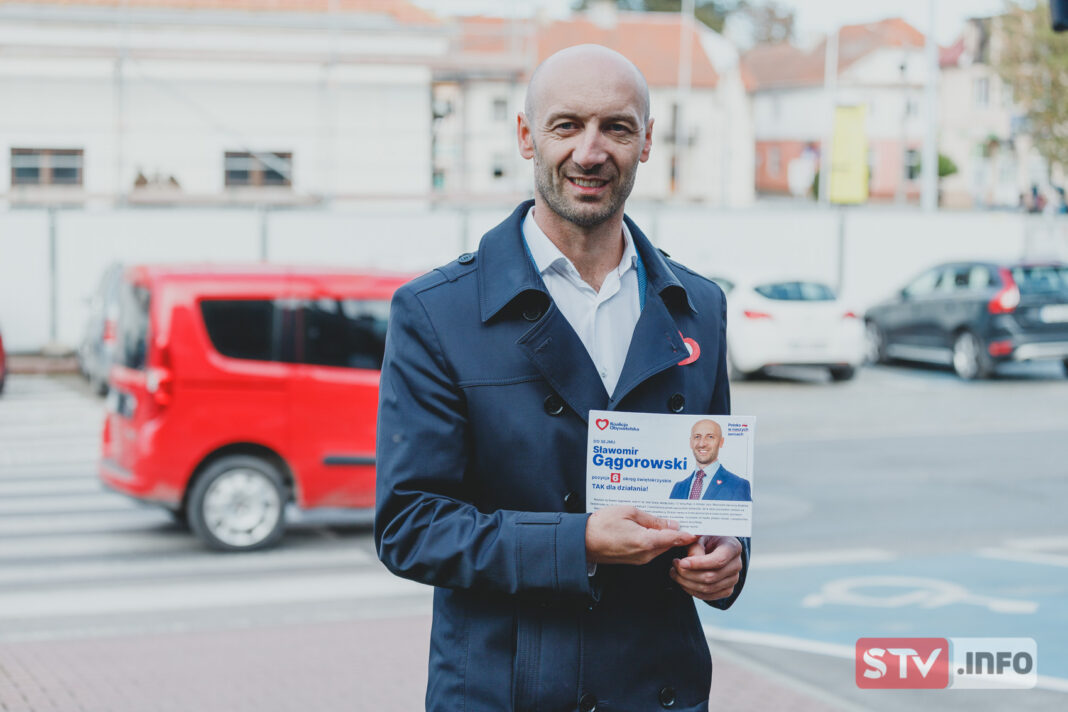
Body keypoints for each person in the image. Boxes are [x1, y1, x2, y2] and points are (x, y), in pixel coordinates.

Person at [375, 44, 749, 712]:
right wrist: (577, 544)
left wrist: (728, 558)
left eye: (617, 128)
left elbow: (713, 486)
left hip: (657, 684)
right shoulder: (437, 313)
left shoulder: (699, 306)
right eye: (567, 125)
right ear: (526, 136)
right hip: (505, 690)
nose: (591, 152)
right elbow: (411, 525)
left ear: (647, 142)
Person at [669, 419, 752, 501]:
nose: (702, 444)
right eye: (697, 437)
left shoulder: (737, 485)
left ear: (721, 442)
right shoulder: (678, 488)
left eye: (710, 437)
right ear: (691, 442)